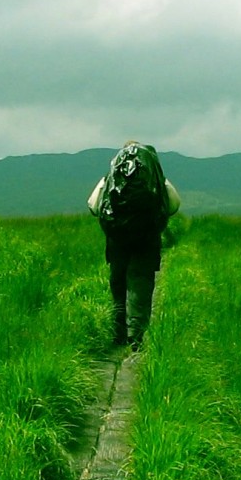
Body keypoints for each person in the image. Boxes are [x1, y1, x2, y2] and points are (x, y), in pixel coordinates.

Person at [87, 141, 181, 349]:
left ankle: (117, 333)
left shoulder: (110, 177)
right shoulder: (156, 178)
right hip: (147, 238)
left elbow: (94, 206)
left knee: (118, 284)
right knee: (141, 282)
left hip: (117, 239)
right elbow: (174, 205)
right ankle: (136, 335)